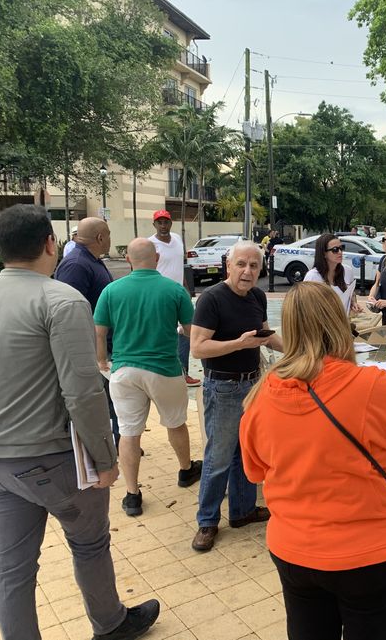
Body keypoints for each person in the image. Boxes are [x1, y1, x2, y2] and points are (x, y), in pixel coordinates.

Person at [0, 204, 160, 640]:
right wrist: (106, 457)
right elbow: (81, 391)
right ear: (50, 243)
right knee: (89, 544)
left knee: (13, 568)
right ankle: (111, 623)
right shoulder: (59, 299)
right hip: (52, 458)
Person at [239, 281, 386, 640]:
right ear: (338, 322)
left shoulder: (260, 398)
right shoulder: (370, 385)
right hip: (372, 554)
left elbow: (255, 470)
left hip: (295, 551)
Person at [94, 238, 203, 517]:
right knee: (176, 423)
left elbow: (100, 330)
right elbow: (192, 331)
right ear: (156, 258)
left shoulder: (111, 290)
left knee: (129, 433)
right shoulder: (174, 290)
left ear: (128, 260)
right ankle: (185, 470)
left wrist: (102, 360)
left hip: (124, 371)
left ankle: (132, 495)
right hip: (164, 369)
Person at [190, 240, 283, 552]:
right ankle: (207, 521)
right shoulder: (211, 299)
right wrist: (237, 344)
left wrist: (304, 349)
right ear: (228, 266)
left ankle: (242, 511)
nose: (247, 271)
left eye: (254, 265)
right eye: (241, 264)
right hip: (223, 387)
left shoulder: (256, 295)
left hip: (253, 384)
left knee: (246, 452)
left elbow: (266, 337)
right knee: (218, 457)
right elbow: (198, 347)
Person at [54, 218, 121, 446]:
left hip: (103, 345)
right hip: (92, 349)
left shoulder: (90, 261)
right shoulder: (76, 265)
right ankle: (108, 445)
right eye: (109, 234)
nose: (111, 239)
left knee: (111, 400)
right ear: (101, 237)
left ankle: (118, 443)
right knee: (100, 401)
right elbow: (67, 311)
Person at [148, 209, 200, 387]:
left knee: (186, 331)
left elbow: (179, 266)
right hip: (159, 296)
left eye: (166, 222)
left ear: (171, 223)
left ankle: (183, 373)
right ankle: (161, 373)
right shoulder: (150, 244)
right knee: (163, 333)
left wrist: (186, 289)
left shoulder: (177, 239)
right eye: (159, 222)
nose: (163, 225)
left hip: (179, 295)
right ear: (154, 224)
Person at [304, 233, 361, 315]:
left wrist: (353, 303)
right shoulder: (313, 276)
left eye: (342, 248)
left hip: (344, 324)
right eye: (335, 249)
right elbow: (305, 307)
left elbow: (352, 294)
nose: (340, 252)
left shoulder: (347, 271)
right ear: (324, 253)